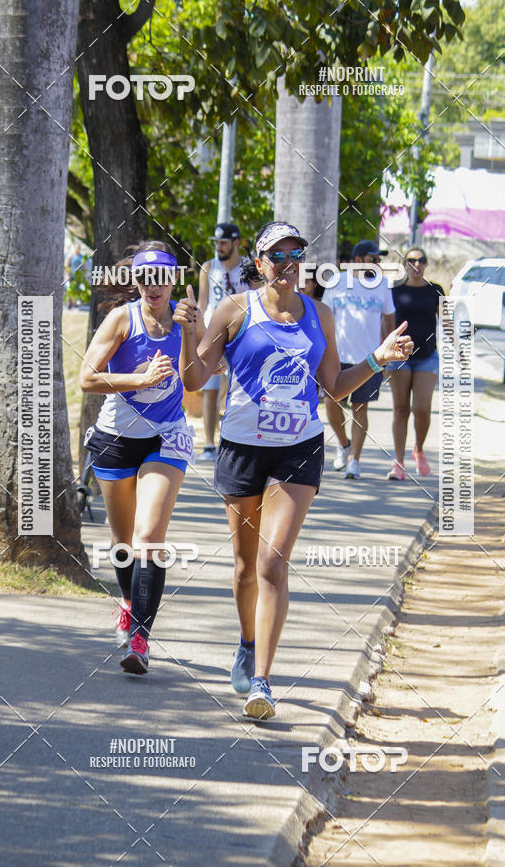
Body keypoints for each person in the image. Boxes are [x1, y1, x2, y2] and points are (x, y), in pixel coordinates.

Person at [174, 221, 413, 719]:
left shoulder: (319, 315)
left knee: (271, 564)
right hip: (241, 447)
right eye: (275, 255)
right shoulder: (234, 310)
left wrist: (376, 360)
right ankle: (246, 641)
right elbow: (196, 378)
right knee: (243, 567)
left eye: (295, 253)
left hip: (298, 449)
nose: (286, 264)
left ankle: (262, 680)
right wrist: (187, 331)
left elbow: (332, 388)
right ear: (257, 264)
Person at [80, 241, 203, 675]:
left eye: (162, 277)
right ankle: (129, 601)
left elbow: (193, 382)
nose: (153, 286)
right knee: (122, 544)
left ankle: (140, 640)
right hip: (115, 437)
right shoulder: (122, 319)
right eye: (145, 278)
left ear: (173, 280)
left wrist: (192, 333)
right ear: (136, 280)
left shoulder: (189, 320)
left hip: (166, 437)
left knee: (148, 537)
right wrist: (139, 378)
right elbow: (86, 379)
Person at [322, 240, 395, 479]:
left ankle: (355, 461)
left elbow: (389, 320)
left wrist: (386, 354)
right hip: (337, 357)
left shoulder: (382, 284)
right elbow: (325, 318)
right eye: (372, 258)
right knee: (332, 404)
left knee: (360, 408)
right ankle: (344, 445)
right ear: (357, 261)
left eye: (378, 259)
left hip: (370, 358)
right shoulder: (336, 282)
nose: (376, 263)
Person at [384, 246, 444, 480]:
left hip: (427, 356)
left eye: (421, 261)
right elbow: (386, 322)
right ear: (404, 264)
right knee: (400, 409)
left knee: (422, 408)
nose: (416, 265)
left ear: (427, 264)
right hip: (399, 356)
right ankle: (398, 463)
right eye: (411, 261)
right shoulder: (394, 291)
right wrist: (382, 353)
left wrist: (458, 349)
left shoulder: (435, 290)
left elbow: (446, 322)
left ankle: (418, 449)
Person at [196, 223, 250, 461]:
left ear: (236, 243)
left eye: (224, 242)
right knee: (210, 389)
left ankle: (235, 439)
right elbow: (202, 303)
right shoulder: (208, 268)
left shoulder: (249, 266)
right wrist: (197, 334)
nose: (219, 247)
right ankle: (209, 443)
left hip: (241, 335)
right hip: (213, 332)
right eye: (216, 242)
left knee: (240, 389)